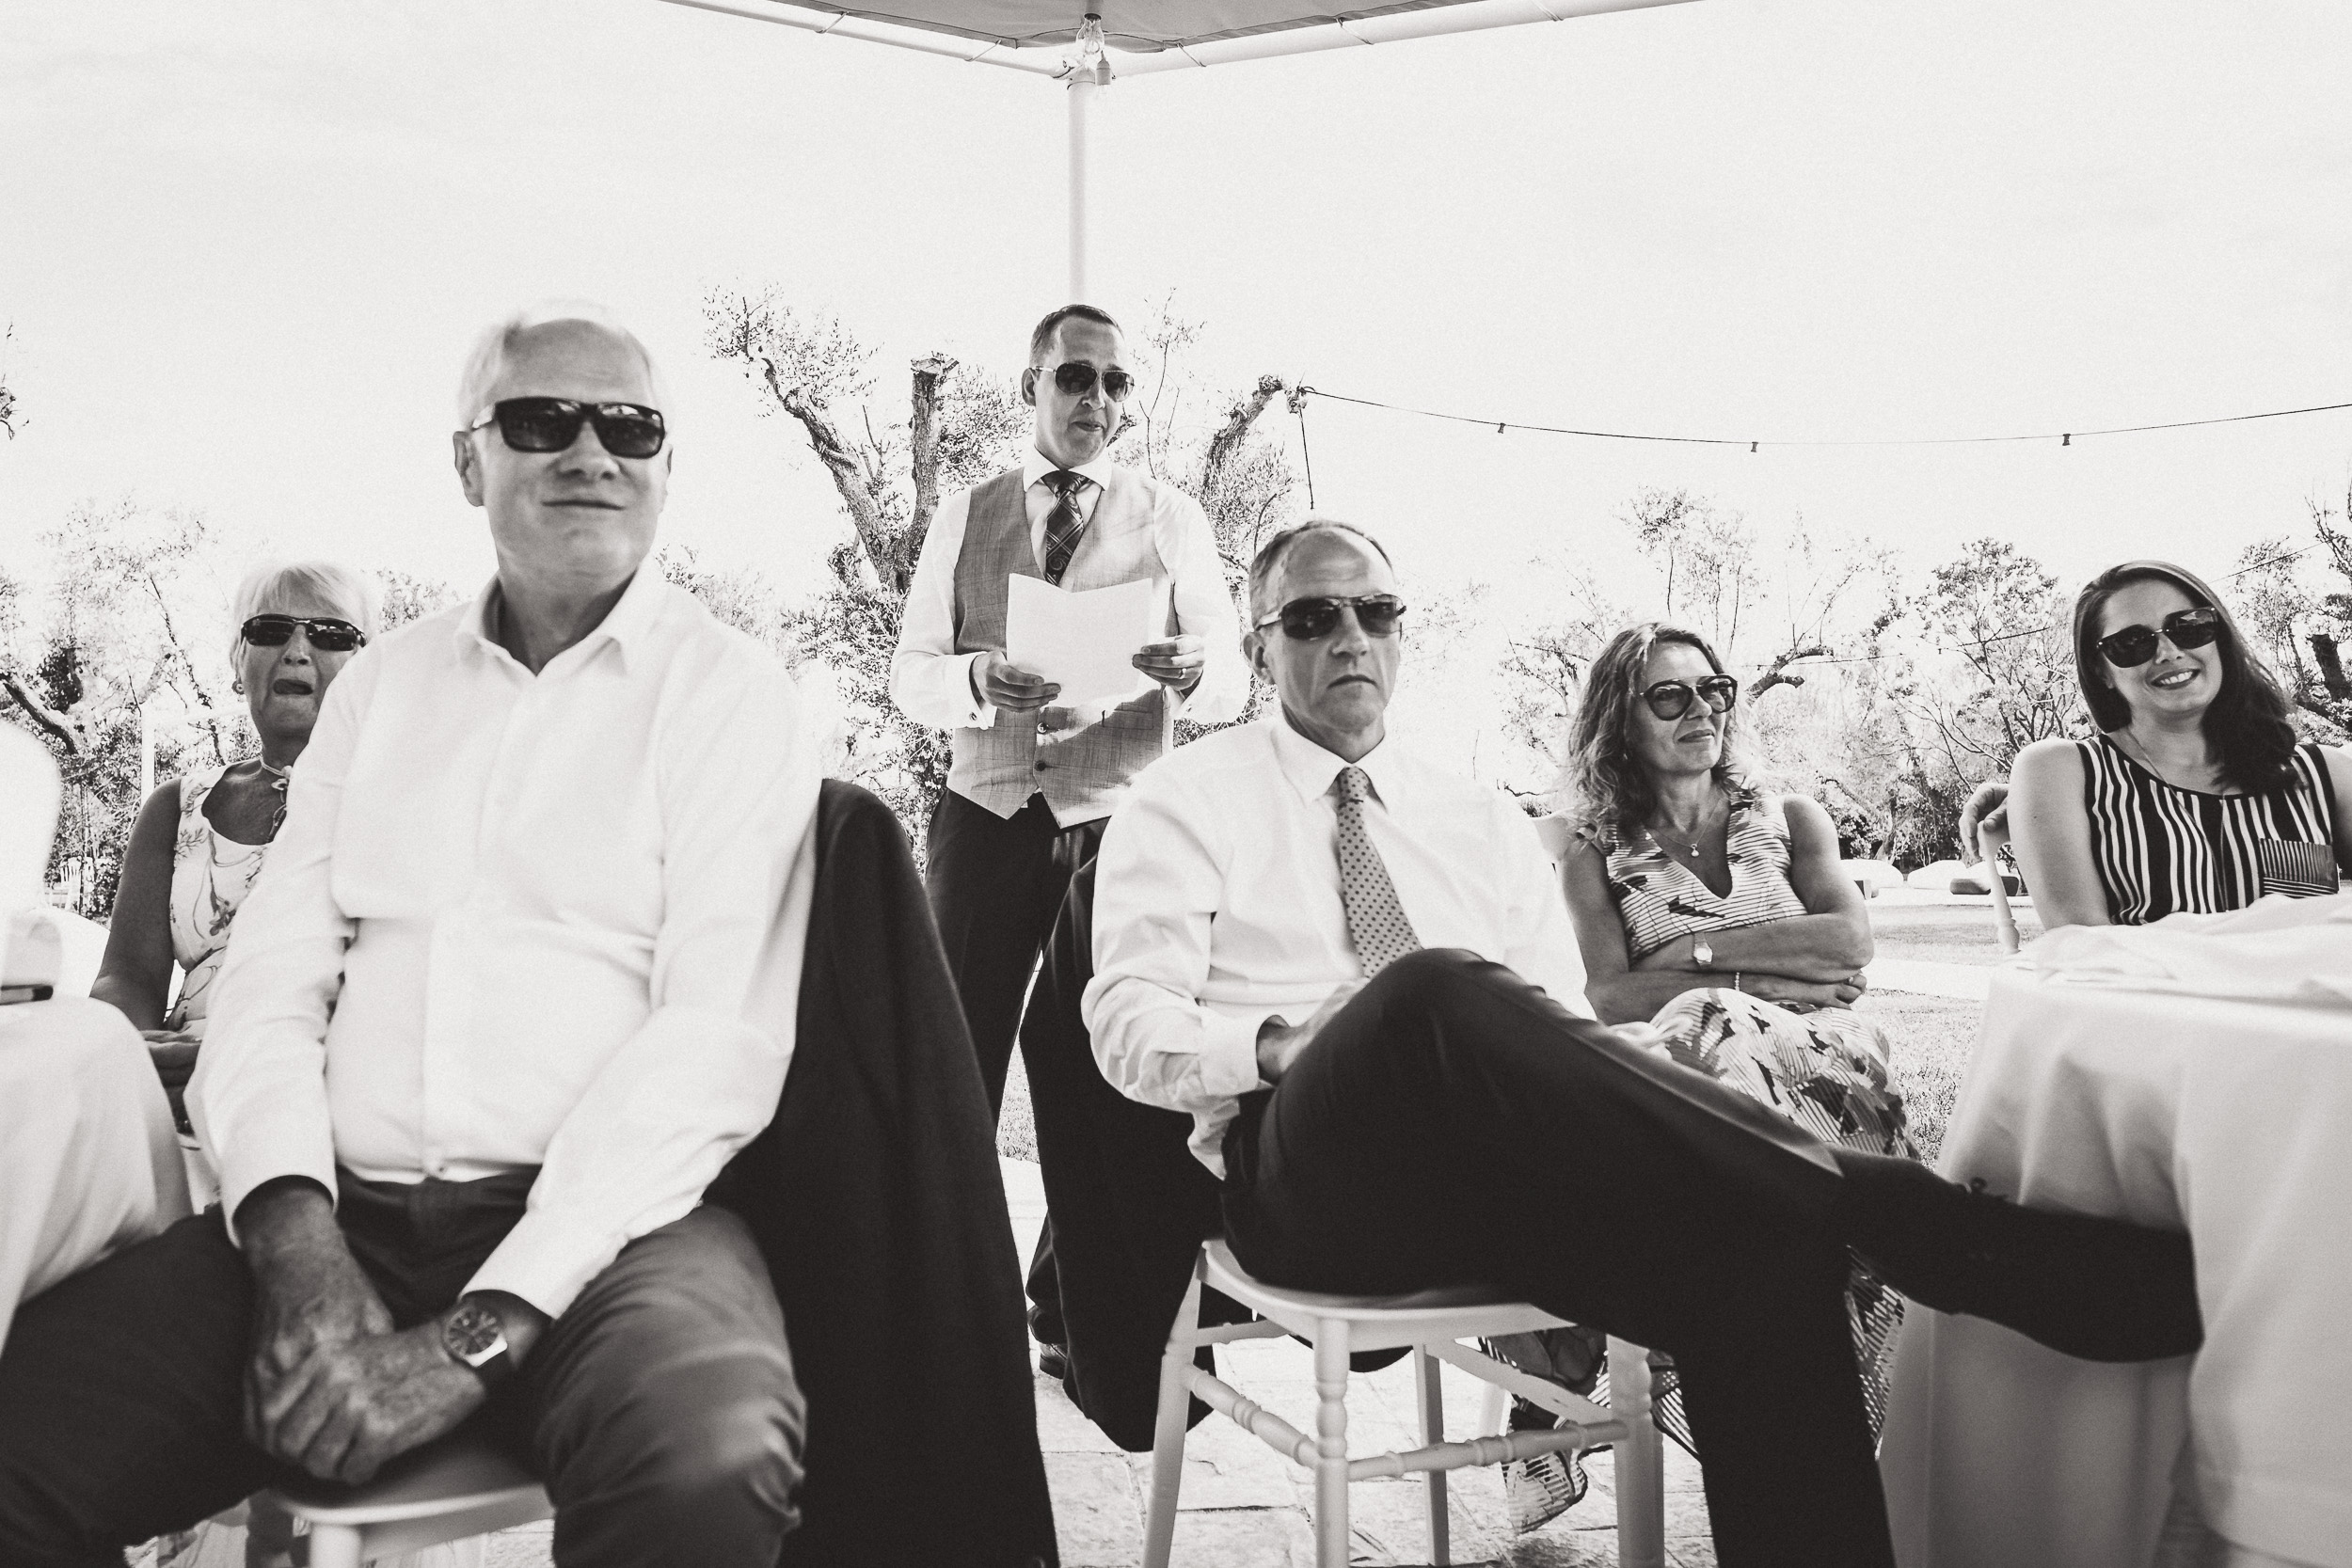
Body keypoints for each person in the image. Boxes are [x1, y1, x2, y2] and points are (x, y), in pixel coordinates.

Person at [1084, 517, 2205, 1568]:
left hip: (1501, 1179)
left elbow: (1559, 1021)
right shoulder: (1185, 797)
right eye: (1313, 617)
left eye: (1376, 611)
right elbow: (1124, 1024)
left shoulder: (1468, 813)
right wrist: (1286, 1041)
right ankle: (1919, 1221)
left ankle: (1865, 1229)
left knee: (1760, 1252)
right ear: (1255, 643)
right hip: (1313, 1177)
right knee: (1423, 992)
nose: (1351, 637)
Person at [0, 303, 821, 1566]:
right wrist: (294, 1242)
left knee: (705, 1463)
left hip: (621, 1237)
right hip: (346, 1215)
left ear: (667, 464)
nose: (591, 452)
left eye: (632, 426)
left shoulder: (731, 694)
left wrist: (480, 1328)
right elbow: (270, 986)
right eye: (542, 418)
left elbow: (713, 1039)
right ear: (467, 459)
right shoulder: (381, 689)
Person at [890, 302, 1246, 1366]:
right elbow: (908, 671)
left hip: (1123, 821)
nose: (1097, 400)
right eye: (1075, 379)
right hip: (987, 807)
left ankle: (1086, 1311)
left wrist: (1196, 670)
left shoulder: (1172, 515)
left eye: (1114, 384)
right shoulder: (966, 512)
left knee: (1116, 1068)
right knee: (957, 1064)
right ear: (1031, 388)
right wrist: (970, 678)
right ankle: (937, 1315)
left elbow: (1229, 671)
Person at [1548, 622, 1913, 1501]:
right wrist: (1761, 975)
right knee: (1704, 1033)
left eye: (1714, 690)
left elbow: (1849, 938)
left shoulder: (1790, 819)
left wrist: (1697, 959)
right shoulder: (1594, 850)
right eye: (1669, 696)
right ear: (1619, 722)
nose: (1700, 711)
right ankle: (1772, 1334)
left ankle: (1659, 1324)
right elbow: (1610, 995)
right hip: (1703, 1081)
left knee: (1703, 1023)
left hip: (1827, 1065)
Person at [92, 562, 377, 1145]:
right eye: (271, 630)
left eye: (331, 635)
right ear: (236, 660)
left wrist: (242, 1062)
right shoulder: (176, 806)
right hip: (171, 1096)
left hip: (327, 1103)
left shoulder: (402, 800)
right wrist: (139, 1052)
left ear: (367, 667)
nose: (298, 650)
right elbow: (125, 976)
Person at [2008, 559, 2349, 928]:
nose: (2168, 652)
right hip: (2144, 988)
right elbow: (2080, 941)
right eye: (2132, 642)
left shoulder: (2325, 774)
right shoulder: (2064, 773)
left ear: (2220, 637)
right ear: (2102, 671)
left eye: (2190, 627)